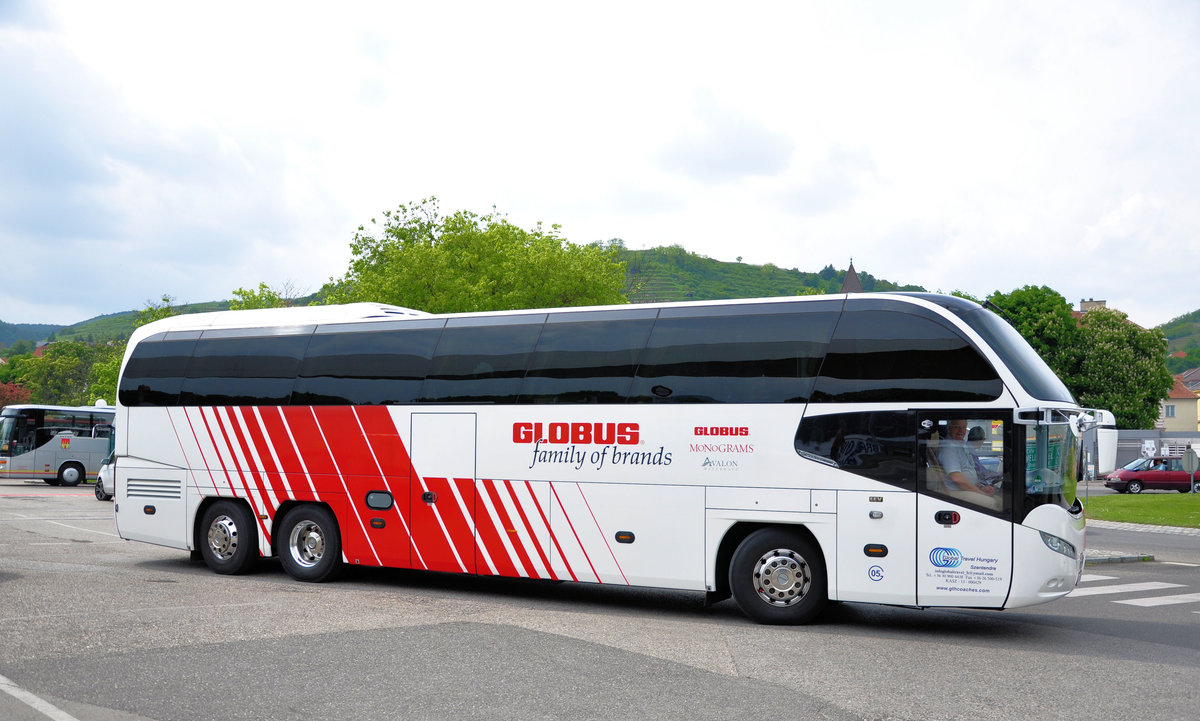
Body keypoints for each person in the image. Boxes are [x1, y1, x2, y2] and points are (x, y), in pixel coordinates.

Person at [937, 419, 999, 501]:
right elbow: (957, 479)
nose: (961, 431)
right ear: (949, 428)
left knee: (999, 499)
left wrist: (981, 487)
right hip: (955, 492)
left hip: (967, 489)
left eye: (963, 427)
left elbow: (970, 471)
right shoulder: (949, 448)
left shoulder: (961, 446)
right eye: (957, 427)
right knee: (992, 503)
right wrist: (981, 494)